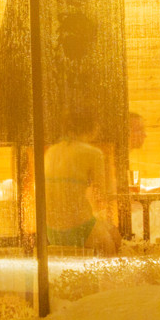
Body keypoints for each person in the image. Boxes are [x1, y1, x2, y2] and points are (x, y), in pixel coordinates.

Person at [41, 107, 112, 252]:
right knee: (112, 248)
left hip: (51, 231)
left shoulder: (51, 152)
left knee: (110, 233)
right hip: (81, 226)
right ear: (92, 127)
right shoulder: (93, 153)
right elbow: (101, 196)